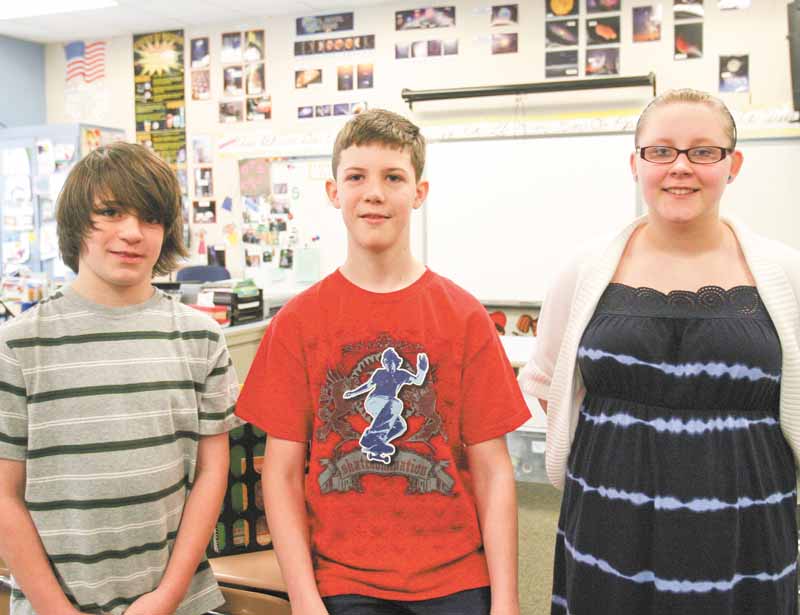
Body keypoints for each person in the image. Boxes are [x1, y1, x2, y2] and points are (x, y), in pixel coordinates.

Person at [235, 109, 530, 615]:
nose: (374, 193)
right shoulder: (298, 322)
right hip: (343, 581)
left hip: (456, 575)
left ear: (419, 192)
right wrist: (303, 598)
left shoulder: (464, 317)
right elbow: (280, 475)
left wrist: (507, 601)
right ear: (334, 192)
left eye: (393, 177)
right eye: (356, 177)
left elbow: (493, 471)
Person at [520, 88, 800, 614]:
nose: (681, 167)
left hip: (745, 528)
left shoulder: (786, 274)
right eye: (661, 150)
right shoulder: (584, 270)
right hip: (609, 522)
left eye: (703, 151)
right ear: (636, 163)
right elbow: (548, 386)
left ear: (733, 165)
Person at [0, 142, 241, 615]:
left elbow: (212, 472)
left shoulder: (201, 338)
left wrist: (167, 596)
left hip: (177, 601)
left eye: (150, 218)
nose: (131, 233)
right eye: (110, 212)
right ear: (76, 223)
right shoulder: (19, 345)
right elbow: (4, 495)